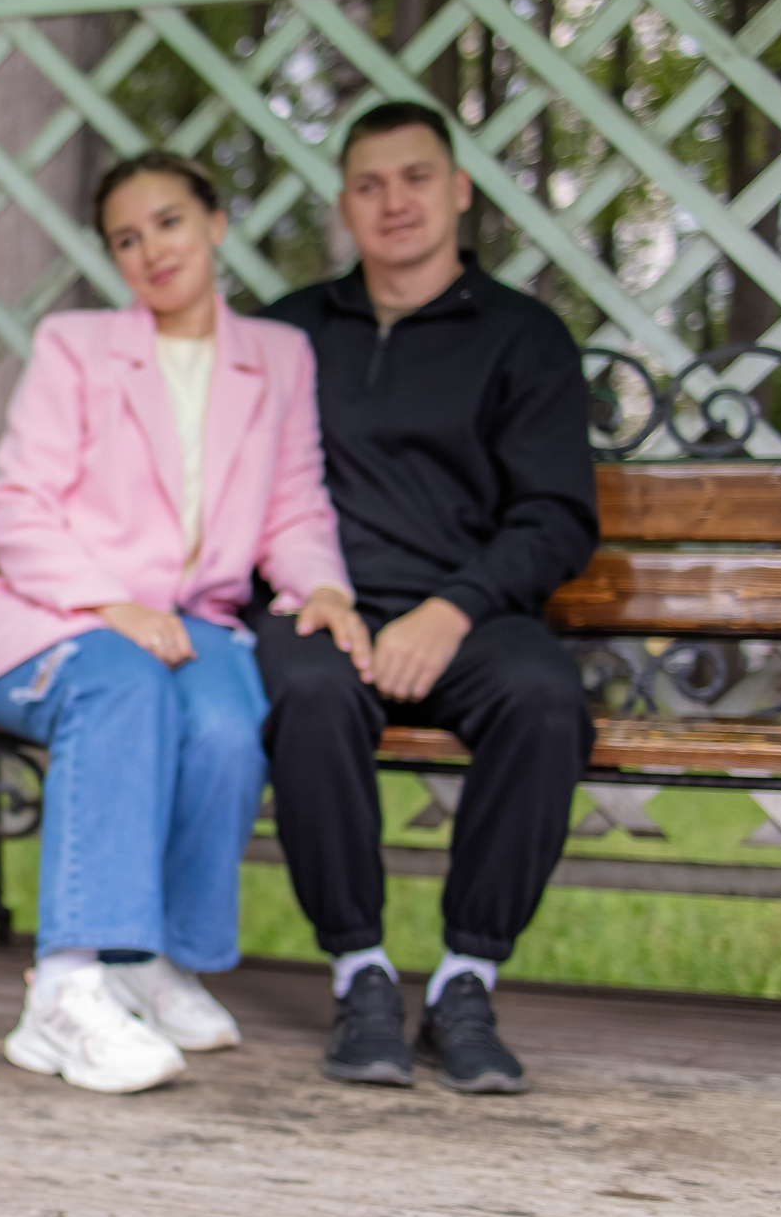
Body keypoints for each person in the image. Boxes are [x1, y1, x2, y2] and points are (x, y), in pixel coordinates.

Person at [0, 152, 370, 1096]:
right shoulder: (78, 345)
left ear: (216, 224)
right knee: (123, 681)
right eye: (127, 238)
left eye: (171, 223)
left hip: (194, 623)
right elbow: (19, 506)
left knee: (229, 725)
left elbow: (295, 508)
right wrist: (114, 605)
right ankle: (62, 991)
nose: (152, 250)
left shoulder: (278, 356)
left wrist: (325, 586)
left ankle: (150, 960)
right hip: (55, 616)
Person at [256, 100, 599, 1096]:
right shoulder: (287, 334)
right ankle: (358, 975)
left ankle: (463, 983)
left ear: (456, 191)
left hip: (470, 612)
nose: (392, 201)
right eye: (368, 184)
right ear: (344, 207)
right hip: (321, 606)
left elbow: (555, 518)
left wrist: (450, 611)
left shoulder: (522, 337)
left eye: (413, 178)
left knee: (544, 700)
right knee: (310, 695)